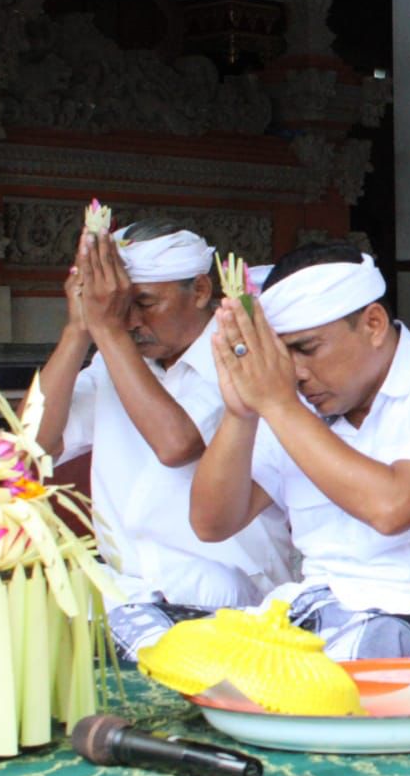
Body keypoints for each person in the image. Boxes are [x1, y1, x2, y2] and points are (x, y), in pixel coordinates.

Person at [189, 243, 410, 658]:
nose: (295, 372)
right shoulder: (293, 406)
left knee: (368, 641)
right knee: (148, 629)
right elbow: (212, 523)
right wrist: (241, 414)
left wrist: (278, 405)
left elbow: (392, 507)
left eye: (306, 349)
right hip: (318, 617)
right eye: (282, 354)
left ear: (373, 323)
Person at [36, 219, 294, 655]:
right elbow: (34, 445)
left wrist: (109, 331)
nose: (131, 321)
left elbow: (176, 445)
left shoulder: (237, 354)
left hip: (230, 601)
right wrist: (79, 329)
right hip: (129, 595)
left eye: (145, 303)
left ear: (199, 291)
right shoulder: (113, 359)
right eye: (119, 308)